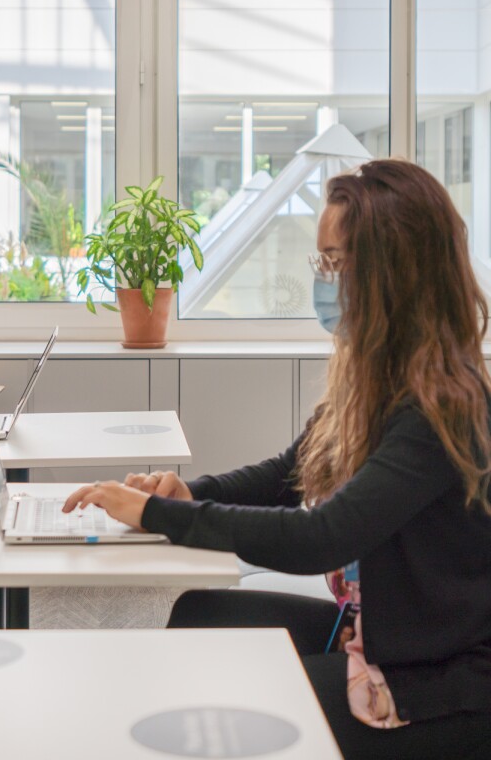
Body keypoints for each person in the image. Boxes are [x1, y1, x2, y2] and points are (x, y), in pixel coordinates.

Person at [64, 159, 491, 759]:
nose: (323, 276)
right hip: (376, 634)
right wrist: (185, 493)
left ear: (393, 274)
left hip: (438, 681)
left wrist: (159, 516)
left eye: (335, 262)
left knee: (233, 713)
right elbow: (291, 474)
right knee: (200, 618)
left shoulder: (441, 406)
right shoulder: (372, 377)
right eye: (321, 260)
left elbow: (322, 537)